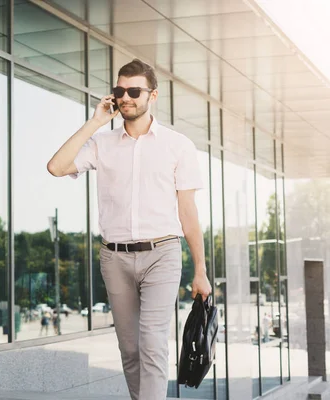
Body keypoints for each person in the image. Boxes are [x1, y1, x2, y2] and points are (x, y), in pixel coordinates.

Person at [47, 59, 212, 400]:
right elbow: (56, 166)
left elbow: (188, 211)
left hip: (162, 254)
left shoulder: (177, 145)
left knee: (152, 344)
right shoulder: (102, 144)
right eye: (120, 91)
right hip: (114, 257)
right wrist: (94, 122)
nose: (125, 98)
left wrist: (201, 270)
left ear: (152, 95)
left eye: (134, 91)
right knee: (130, 349)